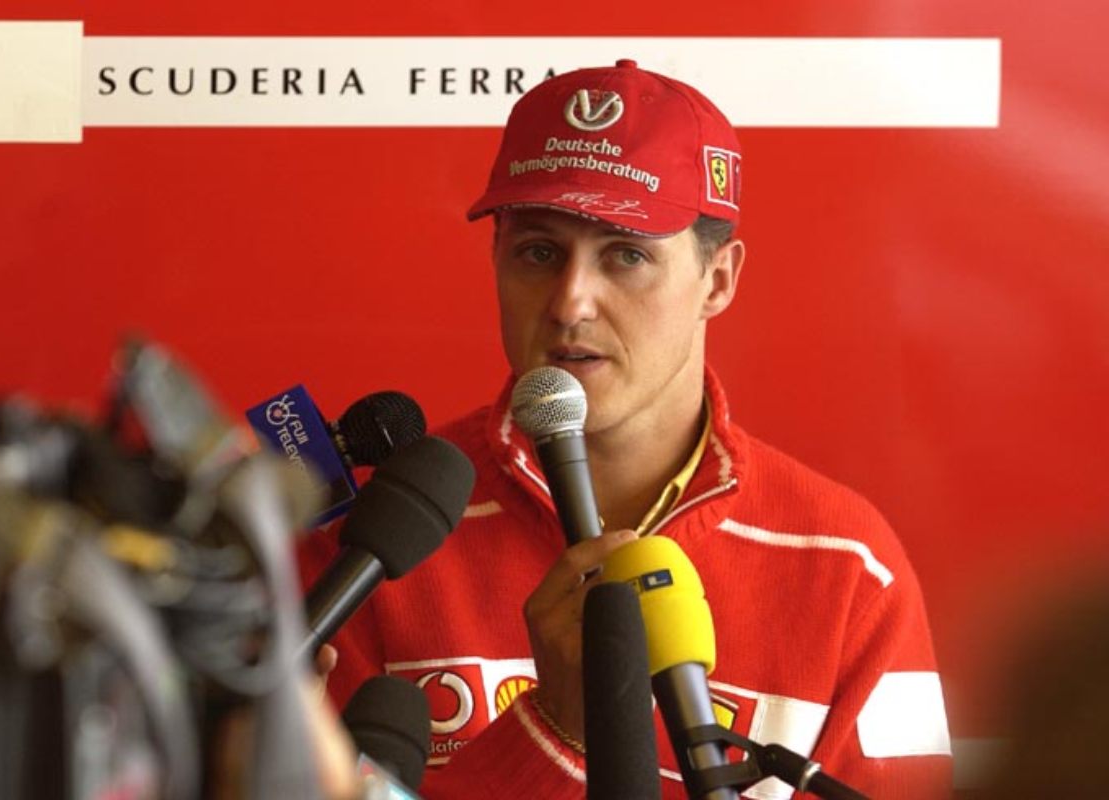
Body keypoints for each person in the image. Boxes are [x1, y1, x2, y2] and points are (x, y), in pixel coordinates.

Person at [299, 59, 953, 799]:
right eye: (539, 253)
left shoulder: (851, 567)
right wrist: (554, 735)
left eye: (627, 256)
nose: (571, 302)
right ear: (496, 260)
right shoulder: (372, 544)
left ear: (718, 281)